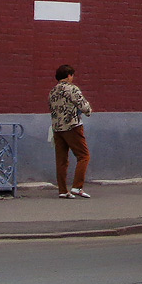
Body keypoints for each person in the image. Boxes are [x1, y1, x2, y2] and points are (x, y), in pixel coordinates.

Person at [49, 64, 92, 199]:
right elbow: (84, 106)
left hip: (57, 128)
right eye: (72, 75)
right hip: (73, 126)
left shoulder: (52, 91)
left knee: (61, 160)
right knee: (83, 156)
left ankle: (62, 190)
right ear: (69, 75)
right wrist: (89, 111)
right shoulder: (72, 89)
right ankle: (77, 187)